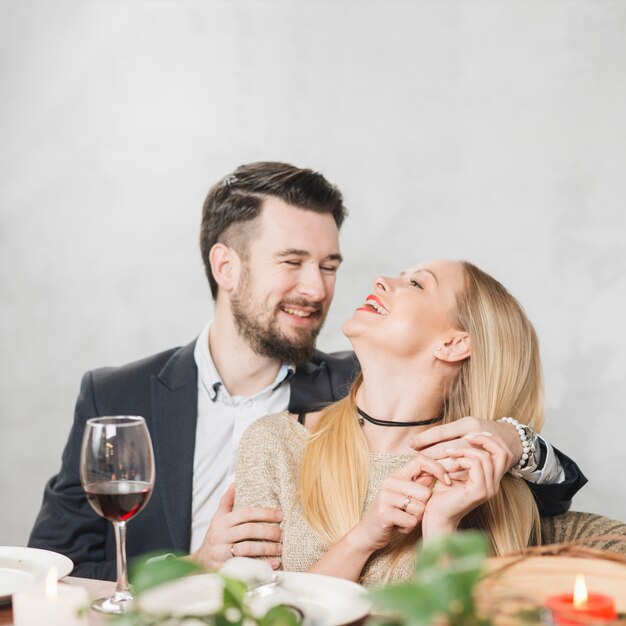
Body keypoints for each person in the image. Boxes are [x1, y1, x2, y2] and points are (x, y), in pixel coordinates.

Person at [28, 163, 585, 580]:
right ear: (226, 266)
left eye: (329, 266)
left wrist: (514, 438)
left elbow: (541, 495)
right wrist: (192, 568)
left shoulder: (367, 389)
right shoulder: (116, 394)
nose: (317, 289)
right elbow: (57, 566)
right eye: (292, 263)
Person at [234, 259, 577, 584]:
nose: (381, 280)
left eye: (416, 283)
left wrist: (442, 526)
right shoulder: (275, 442)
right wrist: (363, 539)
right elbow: (257, 613)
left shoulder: (477, 483)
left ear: (454, 343)